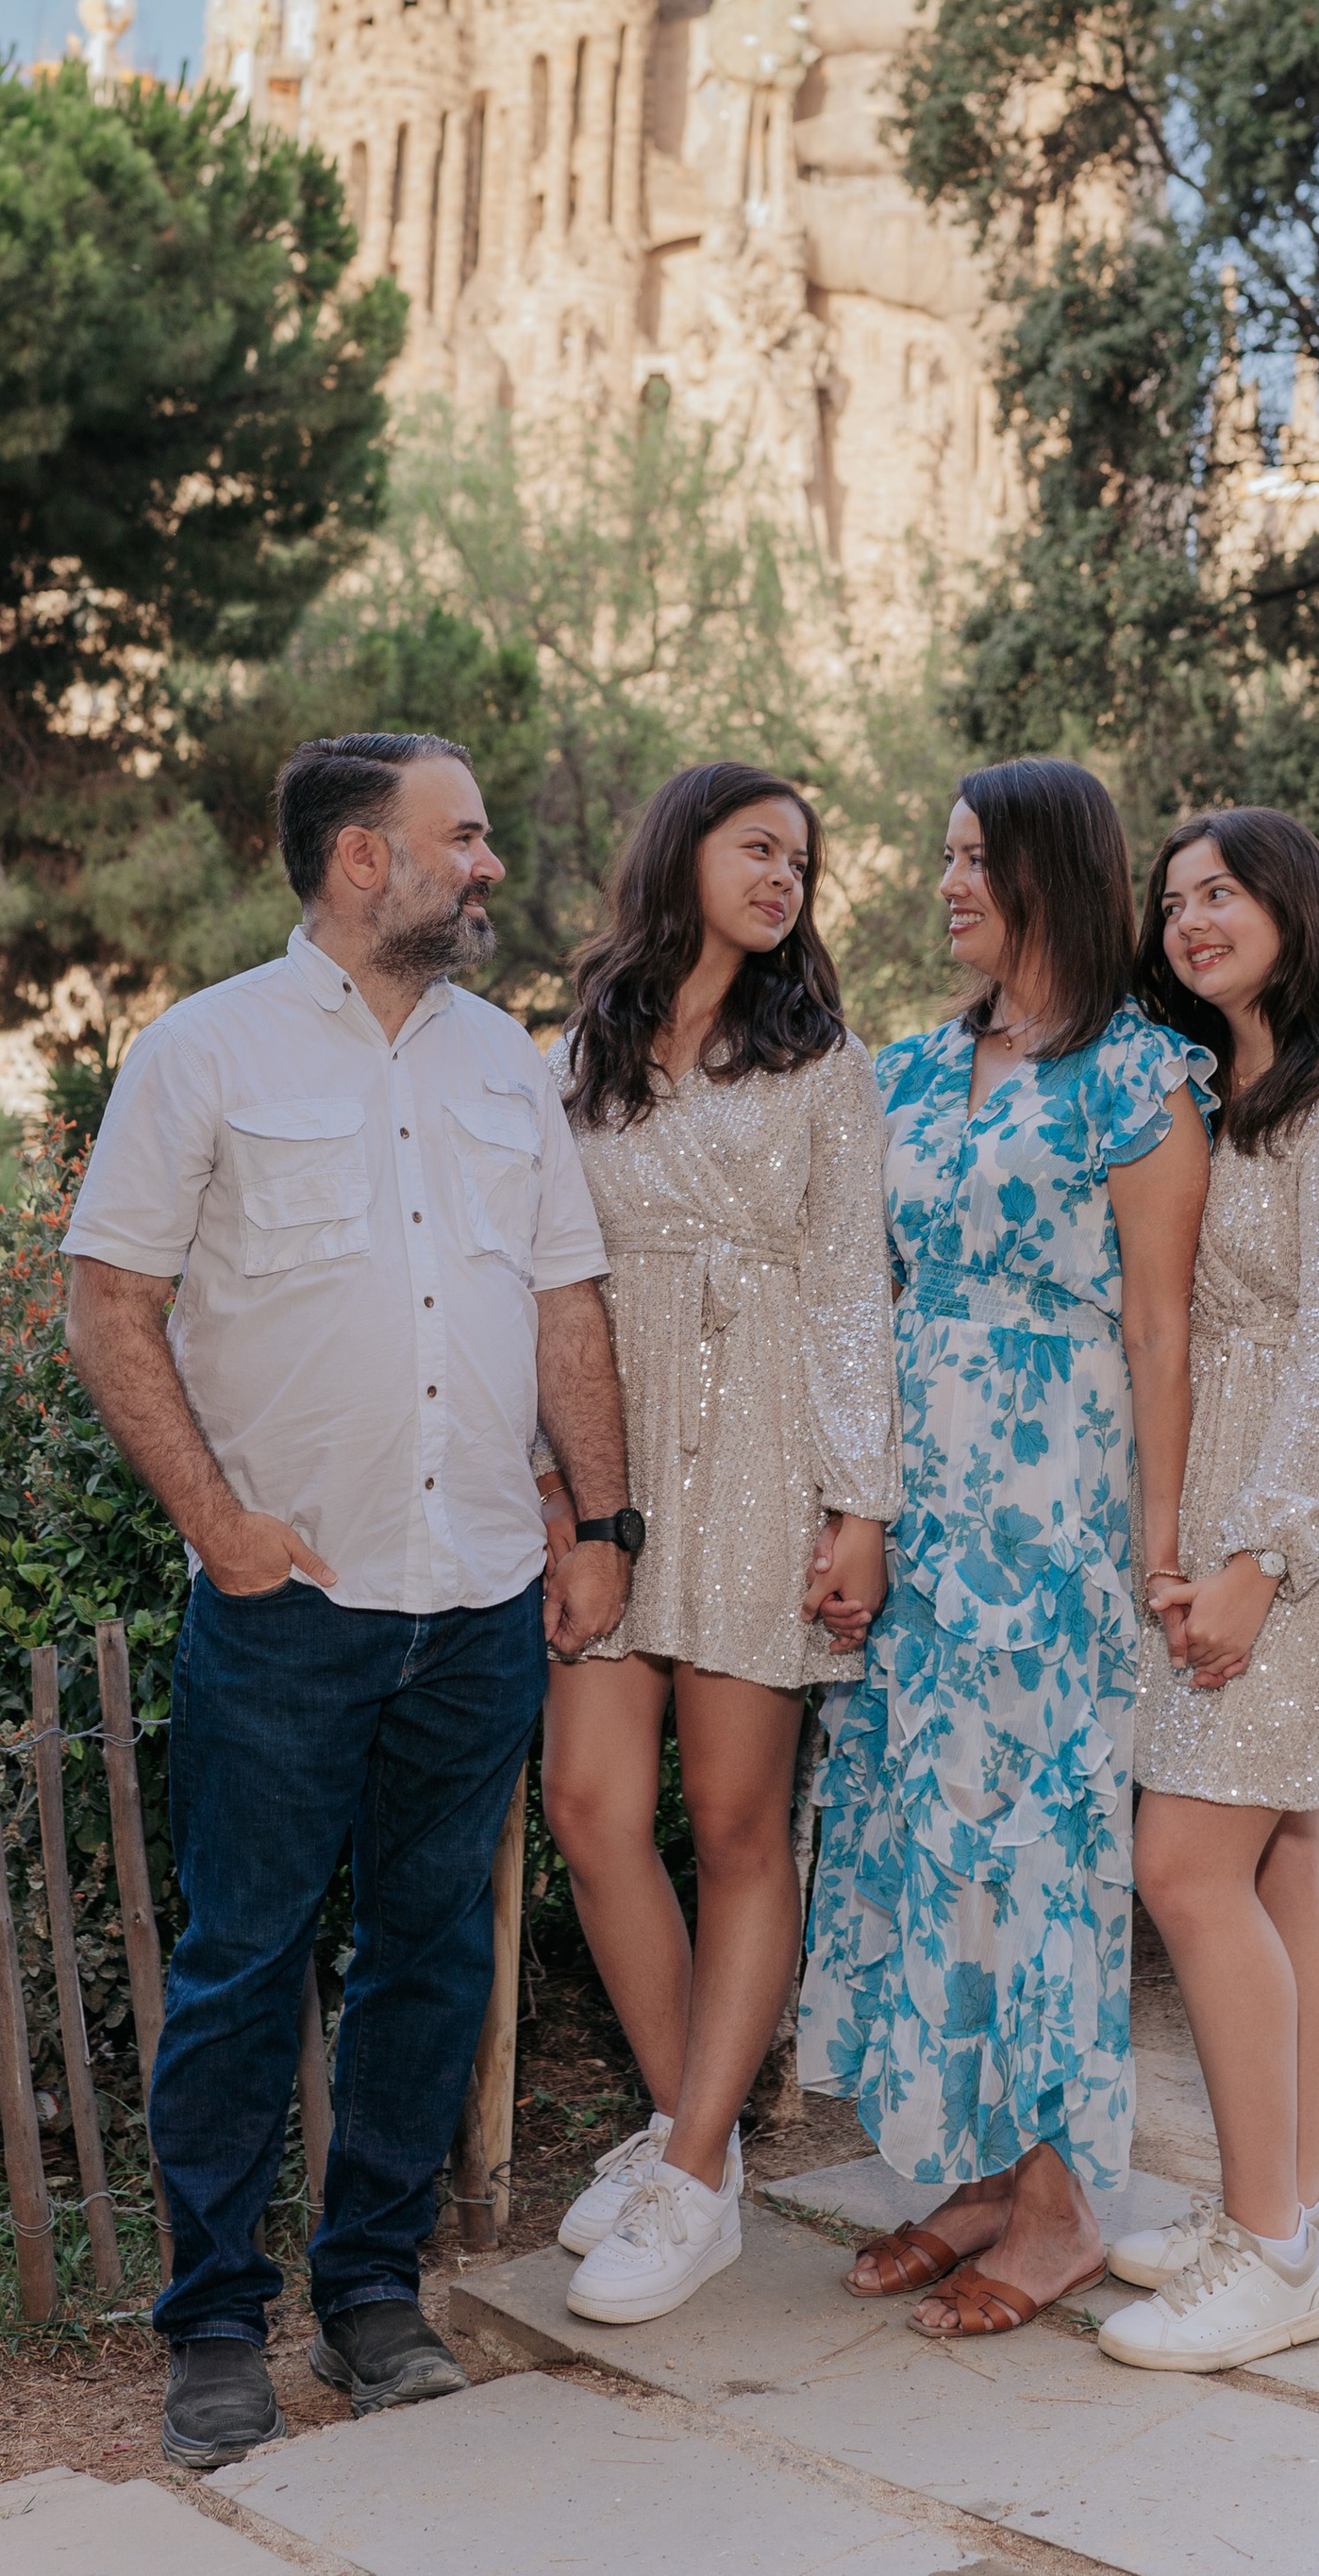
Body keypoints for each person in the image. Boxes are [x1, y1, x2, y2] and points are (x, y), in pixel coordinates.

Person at [62, 732, 638, 2473]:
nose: (485, 866)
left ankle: (374, 2293)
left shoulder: (503, 1065)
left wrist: (598, 1519)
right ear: (359, 862)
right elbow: (108, 1307)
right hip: (292, 1603)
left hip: (476, 1589)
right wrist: (221, 1523)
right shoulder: (203, 1053)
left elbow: (564, 1302)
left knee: (431, 1957)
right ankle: (217, 2329)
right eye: (459, 839)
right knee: (246, 1966)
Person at [798, 756, 1210, 2339]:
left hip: (1058, 1519)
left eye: (977, 859)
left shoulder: (1138, 1077)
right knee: (927, 1836)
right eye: (946, 856)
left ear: (1053, 870)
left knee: (1043, 1853)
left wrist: (1156, 1547)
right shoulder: (902, 1074)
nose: (949, 883)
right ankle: (973, 2170)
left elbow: (1162, 1331)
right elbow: (869, 1306)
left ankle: (1058, 2207)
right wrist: (863, 1510)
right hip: (924, 1508)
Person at [538, 764, 896, 2326]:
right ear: (680, 847)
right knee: (593, 1804)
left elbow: (850, 1294)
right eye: (759, 847)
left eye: (804, 862)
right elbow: (537, 1279)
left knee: (739, 1820)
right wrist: (558, 1493)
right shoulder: (583, 1053)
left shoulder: (826, 1065)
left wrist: (861, 1505)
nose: (785, 878)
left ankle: (688, 2174)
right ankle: (708, 2151)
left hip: (764, 1449)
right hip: (619, 1451)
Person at [1096, 805, 1319, 2374]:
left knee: (1187, 1865)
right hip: (1231, 1510)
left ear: (1295, 902)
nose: (1191, 920)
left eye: (1221, 892)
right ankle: (1287, 2202)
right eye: (1173, 904)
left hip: (1297, 1529)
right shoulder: (1228, 1092)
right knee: (1285, 1853)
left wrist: (1256, 1561)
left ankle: (1277, 2255)